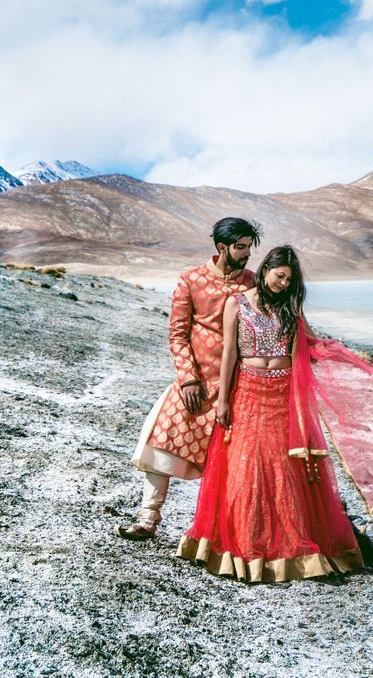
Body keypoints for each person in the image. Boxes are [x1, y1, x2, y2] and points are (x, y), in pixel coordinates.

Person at [178, 244, 373, 584]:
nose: (283, 284)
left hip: (282, 394)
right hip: (247, 392)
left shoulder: (291, 309)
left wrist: (349, 357)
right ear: (266, 271)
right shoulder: (236, 304)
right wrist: (222, 399)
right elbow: (229, 353)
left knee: (285, 469)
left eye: (289, 280)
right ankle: (247, 548)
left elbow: (310, 345)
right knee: (247, 465)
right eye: (280, 276)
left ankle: (289, 548)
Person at [117, 217, 259, 540]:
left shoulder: (252, 284)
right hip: (194, 384)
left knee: (233, 462)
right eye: (241, 247)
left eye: (250, 247)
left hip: (237, 386)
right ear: (222, 247)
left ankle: (222, 531)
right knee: (162, 441)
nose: (247, 253)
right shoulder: (190, 280)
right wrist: (188, 379)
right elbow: (177, 336)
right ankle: (147, 520)